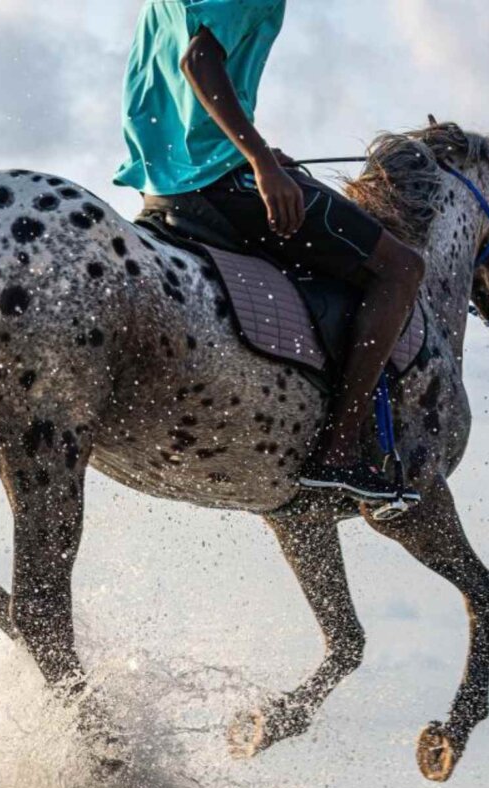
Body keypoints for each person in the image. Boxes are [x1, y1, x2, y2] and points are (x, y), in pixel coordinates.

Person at [114, 0, 424, 503]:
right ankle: (339, 452)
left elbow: (178, 84)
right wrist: (261, 164)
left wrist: (252, 151)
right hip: (217, 184)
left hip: (162, 188)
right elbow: (198, 62)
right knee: (402, 268)